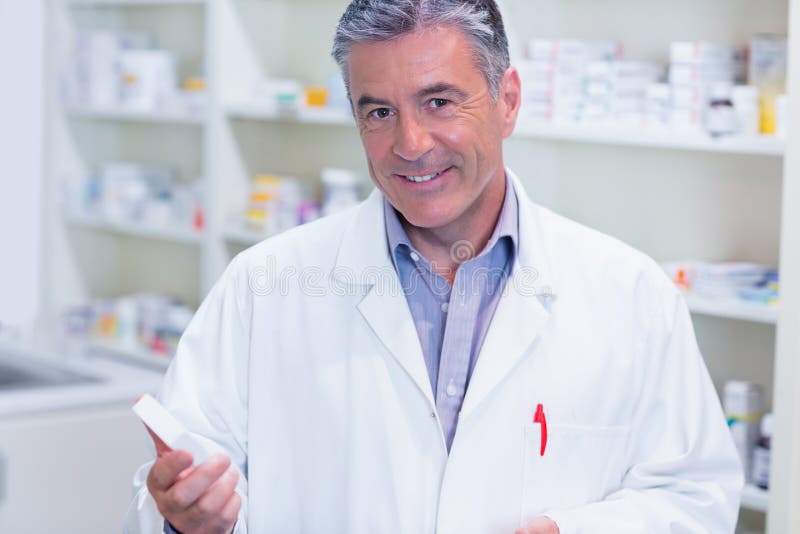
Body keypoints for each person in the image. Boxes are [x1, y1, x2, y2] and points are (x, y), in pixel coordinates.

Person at [124, 1, 743, 533]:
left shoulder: (629, 294)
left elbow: (698, 500)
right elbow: (174, 494)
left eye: (439, 101)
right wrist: (186, 518)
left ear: (507, 101)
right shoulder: (263, 288)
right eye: (379, 112)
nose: (411, 144)